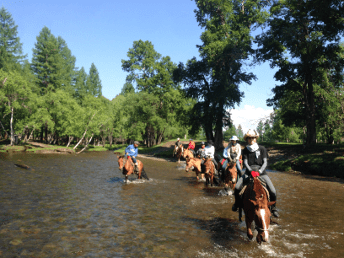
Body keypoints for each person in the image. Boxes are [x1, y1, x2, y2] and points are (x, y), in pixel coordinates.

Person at [231, 129, 279, 218]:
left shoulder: (262, 149)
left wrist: (260, 171)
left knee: (273, 191)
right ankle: (237, 204)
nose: (251, 140)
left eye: (253, 138)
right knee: (237, 187)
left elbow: (265, 162)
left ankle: (273, 208)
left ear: (256, 138)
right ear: (247, 139)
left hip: (262, 172)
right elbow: (245, 162)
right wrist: (251, 171)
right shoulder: (245, 150)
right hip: (249, 172)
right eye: (249, 138)